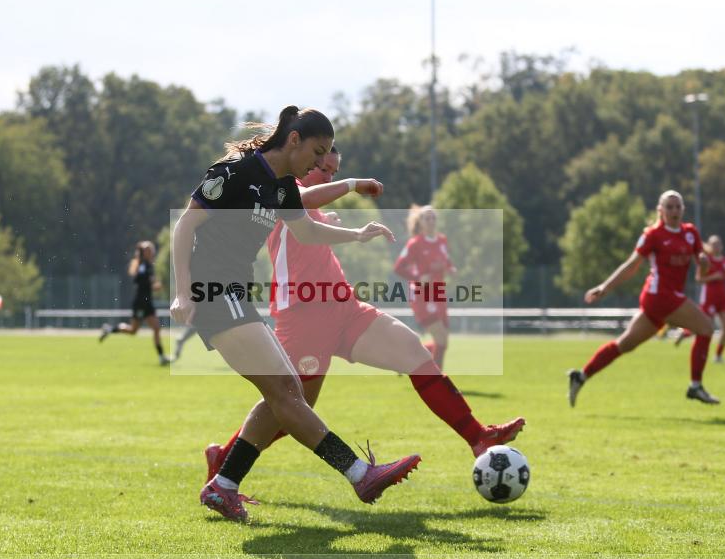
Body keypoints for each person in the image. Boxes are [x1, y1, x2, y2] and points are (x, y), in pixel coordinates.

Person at [204, 147, 525, 483]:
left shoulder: (311, 204)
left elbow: (314, 220)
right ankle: (225, 461)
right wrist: (353, 184)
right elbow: (308, 198)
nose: (327, 175)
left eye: (333, 171)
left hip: (344, 307)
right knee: (291, 409)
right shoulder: (286, 189)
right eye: (323, 168)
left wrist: (337, 224)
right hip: (303, 315)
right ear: (304, 163)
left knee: (413, 351)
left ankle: (478, 437)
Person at [170, 106, 420, 522]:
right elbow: (185, 227)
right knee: (287, 390)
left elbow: (307, 230)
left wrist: (357, 234)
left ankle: (224, 485)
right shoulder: (236, 171)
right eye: (317, 152)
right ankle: (360, 474)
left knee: (284, 393)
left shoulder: (283, 187)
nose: (320, 163)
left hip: (234, 292)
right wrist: (182, 293)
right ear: (293, 141)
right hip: (211, 290)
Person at [567, 190, 720, 406]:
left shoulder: (691, 233)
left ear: (683, 209)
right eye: (669, 207)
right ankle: (695, 386)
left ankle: (581, 376)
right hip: (659, 296)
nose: (674, 211)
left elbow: (700, 274)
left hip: (666, 299)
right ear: (660, 210)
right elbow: (632, 265)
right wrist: (605, 286)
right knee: (706, 328)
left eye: (678, 206)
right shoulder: (653, 234)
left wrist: (704, 264)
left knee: (625, 344)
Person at [394, 205, 455, 370]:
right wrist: (418, 278)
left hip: (438, 293)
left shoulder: (442, 240)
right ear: (420, 222)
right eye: (427, 218)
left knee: (443, 340)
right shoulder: (415, 243)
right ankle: (439, 380)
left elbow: (446, 259)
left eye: (433, 217)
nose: (431, 221)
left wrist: (450, 268)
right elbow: (398, 267)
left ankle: (406, 356)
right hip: (421, 294)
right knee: (441, 338)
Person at [99, 241, 171, 366]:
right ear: (145, 253)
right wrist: (152, 283)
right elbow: (140, 281)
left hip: (147, 302)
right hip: (141, 303)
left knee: (154, 328)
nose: (152, 251)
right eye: (149, 249)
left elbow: (146, 284)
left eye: (152, 249)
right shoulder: (144, 266)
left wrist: (154, 286)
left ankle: (161, 357)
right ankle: (110, 329)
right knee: (134, 330)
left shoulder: (148, 265)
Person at [673, 235, 725, 363]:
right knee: (705, 326)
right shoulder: (705, 261)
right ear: (709, 246)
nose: (716, 246)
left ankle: (718, 356)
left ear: (722, 246)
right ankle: (685, 332)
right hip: (709, 298)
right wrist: (714, 277)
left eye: (718, 244)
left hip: (722, 298)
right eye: (713, 244)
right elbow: (698, 279)